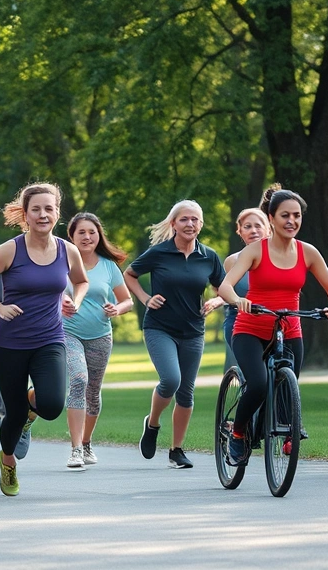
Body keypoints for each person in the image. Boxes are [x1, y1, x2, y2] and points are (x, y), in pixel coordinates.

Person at [0, 183, 88, 496]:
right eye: (36, 209)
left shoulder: (68, 250)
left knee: (52, 405)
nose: (43, 214)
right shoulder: (10, 250)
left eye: (49, 208)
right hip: (9, 344)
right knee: (14, 414)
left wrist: (75, 300)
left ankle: (31, 406)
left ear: (57, 213)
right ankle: (8, 461)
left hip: (50, 339)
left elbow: (81, 281)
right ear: (25, 214)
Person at [218, 186, 328, 462]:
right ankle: (238, 433)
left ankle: (287, 429)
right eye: (285, 215)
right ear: (271, 218)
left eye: (297, 216)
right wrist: (238, 300)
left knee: (288, 386)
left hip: (289, 330)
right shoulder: (255, 251)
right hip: (250, 330)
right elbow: (225, 286)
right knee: (259, 384)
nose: (292, 221)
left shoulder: (308, 252)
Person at [125, 200, 224, 469]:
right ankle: (152, 423)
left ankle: (176, 451)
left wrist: (216, 301)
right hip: (160, 328)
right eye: (184, 219)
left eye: (195, 219)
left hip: (193, 331)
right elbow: (129, 274)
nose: (190, 224)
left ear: (201, 224)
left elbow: (224, 288)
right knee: (170, 380)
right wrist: (146, 298)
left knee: (186, 393)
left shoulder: (209, 256)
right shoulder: (159, 252)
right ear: (174, 224)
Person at [62, 212, 133, 468]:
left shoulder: (108, 266)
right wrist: (60, 301)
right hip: (68, 332)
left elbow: (127, 300)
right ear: (72, 236)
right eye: (81, 232)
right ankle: (75, 449)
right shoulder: (61, 262)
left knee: (93, 391)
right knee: (78, 380)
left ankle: (86, 442)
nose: (87, 237)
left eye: (92, 232)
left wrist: (117, 309)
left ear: (99, 236)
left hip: (101, 337)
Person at [222, 208, 269, 371]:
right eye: (247, 227)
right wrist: (237, 300)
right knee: (255, 372)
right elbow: (225, 289)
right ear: (240, 231)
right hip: (240, 320)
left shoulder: (282, 258)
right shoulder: (232, 261)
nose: (253, 230)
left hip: (273, 319)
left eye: (258, 226)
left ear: (268, 229)